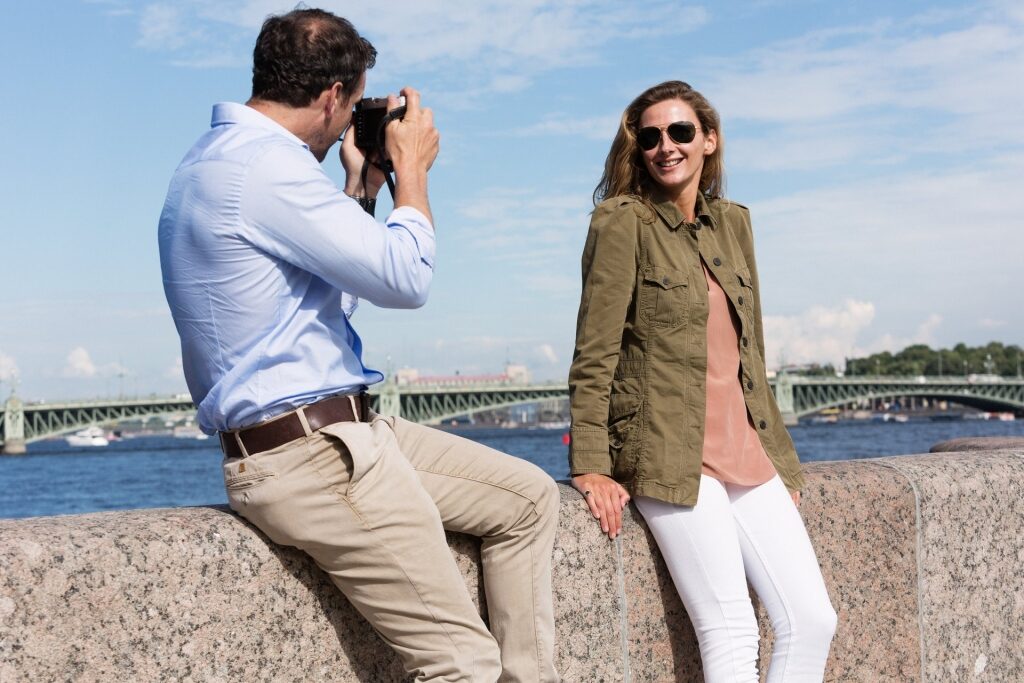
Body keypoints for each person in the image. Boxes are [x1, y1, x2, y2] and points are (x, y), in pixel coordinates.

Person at [158, 9, 560, 682]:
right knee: (461, 660)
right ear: (331, 97)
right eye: (350, 109)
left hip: (328, 437)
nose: (349, 127)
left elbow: (321, 299)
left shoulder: (216, 161)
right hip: (316, 455)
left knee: (527, 500)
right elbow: (405, 278)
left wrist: (360, 192)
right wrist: (413, 171)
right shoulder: (265, 170)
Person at [567, 80, 837, 682]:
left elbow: (751, 351)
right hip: (669, 450)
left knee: (812, 619)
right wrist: (591, 463)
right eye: (651, 137)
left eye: (681, 132)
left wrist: (781, 461)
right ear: (636, 150)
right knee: (732, 630)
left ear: (708, 140)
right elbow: (594, 353)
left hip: (747, 449)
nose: (667, 146)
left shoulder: (734, 225)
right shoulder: (621, 224)